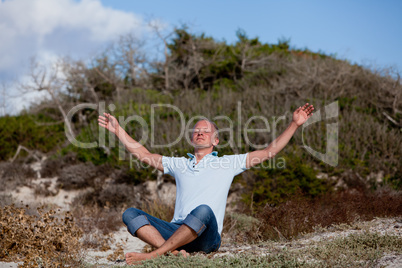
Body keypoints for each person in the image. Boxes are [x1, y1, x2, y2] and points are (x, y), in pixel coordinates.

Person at [98, 103, 314, 264]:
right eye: (196, 131)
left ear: (215, 141)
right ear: (192, 138)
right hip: (176, 231)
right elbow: (144, 155)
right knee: (131, 214)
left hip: (206, 237)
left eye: (206, 131)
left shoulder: (228, 163)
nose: (200, 133)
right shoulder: (179, 164)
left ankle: (154, 255)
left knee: (203, 210)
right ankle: (174, 253)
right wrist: (118, 131)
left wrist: (294, 124)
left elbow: (269, 152)